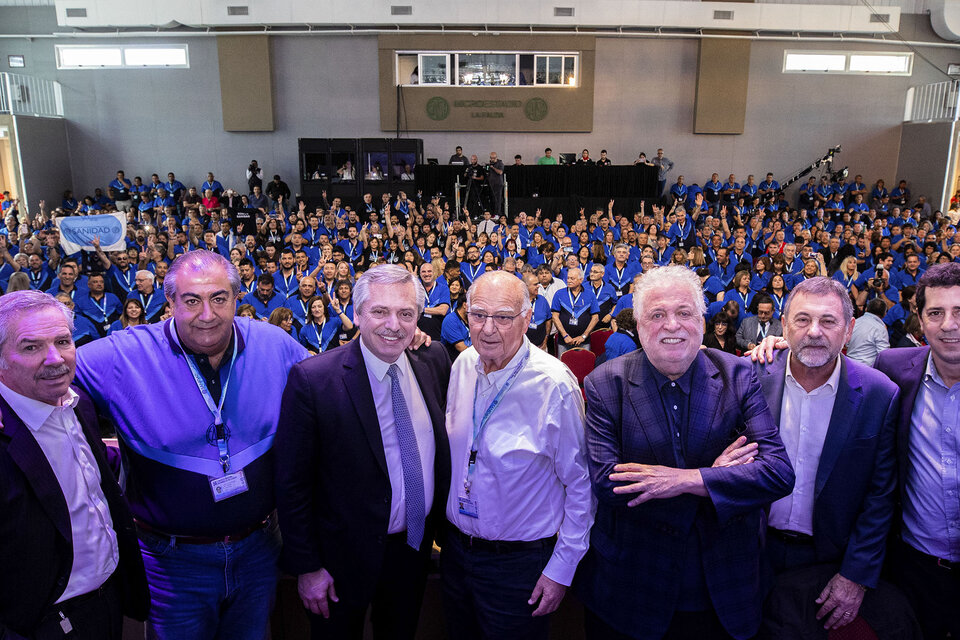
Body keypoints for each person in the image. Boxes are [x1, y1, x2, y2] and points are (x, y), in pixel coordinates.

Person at [74, 250, 309, 640]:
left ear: (238, 299)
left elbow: (325, 379)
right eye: (191, 300)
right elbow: (51, 370)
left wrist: (399, 341)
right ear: (170, 303)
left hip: (259, 550)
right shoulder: (124, 354)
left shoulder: (274, 343)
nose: (207, 314)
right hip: (172, 564)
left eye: (219, 298)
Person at [576, 265, 794, 640]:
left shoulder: (738, 376)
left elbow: (777, 472)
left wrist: (686, 480)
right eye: (657, 315)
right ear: (638, 325)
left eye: (684, 313)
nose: (672, 325)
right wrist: (720, 478)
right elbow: (610, 485)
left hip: (726, 588)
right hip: (634, 587)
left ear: (702, 320)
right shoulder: (604, 384)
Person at [275, 264, 451, 640]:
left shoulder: (433, 360)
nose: (394, 324)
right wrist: (307, 567)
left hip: (413, 549)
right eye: (379, 311)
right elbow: (292, 485)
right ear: (356, 314)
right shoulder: (313, 379)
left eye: (406, 313)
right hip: (339, 563)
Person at [442, 270, 595, 640]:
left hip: (519, 566)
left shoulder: (554, 384)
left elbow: (581, 485)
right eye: (478, 315)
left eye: (504, 317)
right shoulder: (462, 366)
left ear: (528, 319)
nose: (488, 329)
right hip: (456, 555)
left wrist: (562, 567)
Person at [750, 277, 901, 636]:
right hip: (752, 550)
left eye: (828, 321)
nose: (814, 331)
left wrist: (855, 575)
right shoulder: (750, 375)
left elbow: (880, 498)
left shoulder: (880, 394)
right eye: (802, 320)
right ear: (783, 325)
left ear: (849, 329)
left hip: (828, 562)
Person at [0, 291, 149, 639]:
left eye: (63, 341)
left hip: (105, 602)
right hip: (37, 623)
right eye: (31, 347)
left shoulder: (78, 406)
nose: (55, 359)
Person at [875, 263, 960, 640]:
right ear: (920, 321)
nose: (949, 325)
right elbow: (831, 372)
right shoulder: (893, 369)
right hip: (914, 568)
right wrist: (779, 347)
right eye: (936, 313)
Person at [845, 298, 890, 366]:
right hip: (867, 369)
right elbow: (884, 355)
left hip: (849, 365)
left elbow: (847, 344)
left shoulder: (855, 323)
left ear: (866, 309)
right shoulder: (880, 329)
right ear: (884, 314)